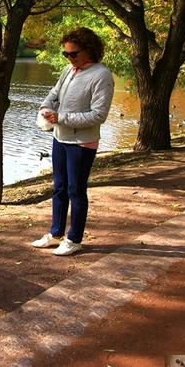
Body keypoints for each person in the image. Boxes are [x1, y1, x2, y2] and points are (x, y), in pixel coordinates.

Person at [31, 27, 115, 256]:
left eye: (74, 53)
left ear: (89, 50)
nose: (69, 58)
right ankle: (55, 234)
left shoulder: (101, 75)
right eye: (65, 54)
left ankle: (74, 239)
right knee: (58, 188)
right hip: (60, 138)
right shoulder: (69, 71)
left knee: (75, 190)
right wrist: (46, 108)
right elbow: (54, 94)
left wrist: (61, 118)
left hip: (82, 143)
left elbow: (99, 115)